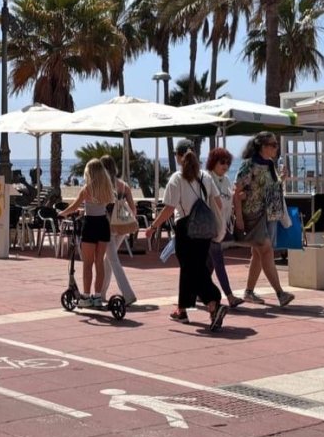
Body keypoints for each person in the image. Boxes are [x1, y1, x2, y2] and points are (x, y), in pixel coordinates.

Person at [146, 140, 228, 331]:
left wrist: (153, 226)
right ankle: (182, 309)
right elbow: (218, 203)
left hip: (185, 228)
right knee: (193, 268)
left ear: (179, 156)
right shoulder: (205, 177)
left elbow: (169, 208)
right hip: (205, 229)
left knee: (192, 269)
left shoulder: (177, 178)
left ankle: (213, 302)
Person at [235, 132, 295, 307]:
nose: (276, 148)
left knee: (258, 253)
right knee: (266, 250)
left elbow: (272, 187)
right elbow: (236, 192)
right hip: (253, 214)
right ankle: (280, 293)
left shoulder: (269, 164)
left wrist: (282, 178)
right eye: (273, 144)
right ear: (263, 146)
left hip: (270, 212)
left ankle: (249, 291)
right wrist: (238, 216)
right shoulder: (249, 165)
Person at [58, 159, 115, 307]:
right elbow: (100, 206)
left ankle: (85, 296)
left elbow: (73, 207)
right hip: (103, 224)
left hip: (90, 225)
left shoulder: (86, 189)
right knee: (99, 263)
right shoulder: (107, 188)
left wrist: (61, 214)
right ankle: (97, 296)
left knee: (87, 264)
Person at [97, 156, 138, 306]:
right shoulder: (124, 185)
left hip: (108, 226)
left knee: (113, 260)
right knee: (108, 261)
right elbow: (133, 208)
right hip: (122, 226)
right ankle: (101, 294)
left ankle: (128, 294)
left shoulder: (103, 185)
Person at [207, 147, 243, 308]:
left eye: (228, 163)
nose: (225, 166)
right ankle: (229, 296)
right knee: (218, 261)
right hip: (210, 229)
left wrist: (240, 196)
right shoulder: (207, 179)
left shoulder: (227, 180)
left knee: (209, 264)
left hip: (222, 228)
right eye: (222, 162)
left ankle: (196, 291)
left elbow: (230, 200)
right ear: (213, 162)